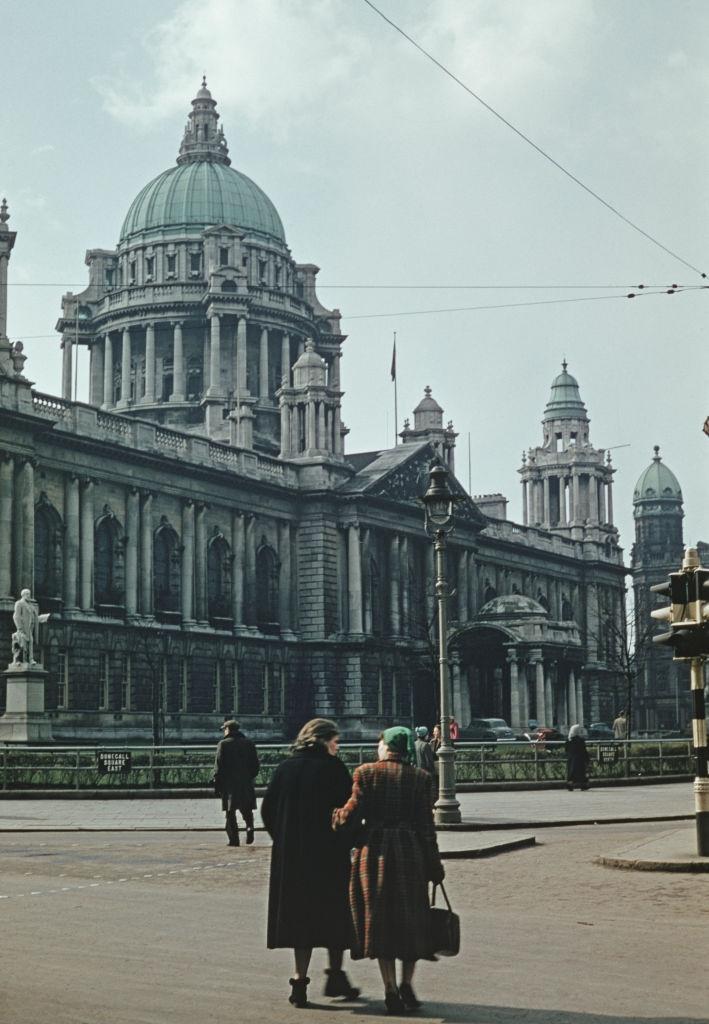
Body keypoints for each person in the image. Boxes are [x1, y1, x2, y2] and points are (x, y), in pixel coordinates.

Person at [333, 726, 445, 1016]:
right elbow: (427, 828)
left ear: (385, 746)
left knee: (381, 921)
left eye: (380, 742)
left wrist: (336, 817)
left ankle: (390, 989)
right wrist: (435, 865)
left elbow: (349, 815)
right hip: (410, 853)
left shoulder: (365, 773)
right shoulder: (421, 779)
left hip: (376, 852)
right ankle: (408, 982)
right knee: (412, 919)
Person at [261, 718, 360, 1009]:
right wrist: (347, 840)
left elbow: (268, 810)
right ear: (323, 740)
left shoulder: (285, 769)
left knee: (299, 920)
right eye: (335, 741)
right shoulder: (334, 769)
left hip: (293, 858)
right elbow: (348, 813)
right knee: (335, 917)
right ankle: (335, 974)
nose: (337, 746)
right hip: (329, 856)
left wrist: (283, 839)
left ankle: (299, 981)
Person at [214, 720, 259, 847]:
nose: (224, 731)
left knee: (230, 812)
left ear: (228, 729)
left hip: (229, 784)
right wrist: (249, 776)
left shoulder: (223, 744)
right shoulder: (249, 743)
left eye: (224, 729)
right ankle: (249, 826)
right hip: (246, 782)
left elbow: (219, 766)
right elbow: (255, 765)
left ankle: (234, 839)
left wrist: (217, 782)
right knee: (247, 809)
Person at [12, 589, 39, 666]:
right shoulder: (19, 603)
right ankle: (19, 660)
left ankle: (30, 659)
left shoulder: (31, 605)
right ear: (23, 595)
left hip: (30, 628)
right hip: (23, 628)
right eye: (27, 594)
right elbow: (16, 616)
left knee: (30, 642)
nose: (29, 595)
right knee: (22, 644)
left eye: (29, 594)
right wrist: (20, 628)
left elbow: (34, 617)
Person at [566, 724, 590, 791]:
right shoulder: (580, 740)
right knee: (581, 773)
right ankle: (583, 785)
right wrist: (587, 759)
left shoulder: (569, 740)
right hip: (580, 758)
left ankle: (570, 784)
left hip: (571, 758)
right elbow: (584, 750)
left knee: (571, 772)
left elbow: (566, 750)